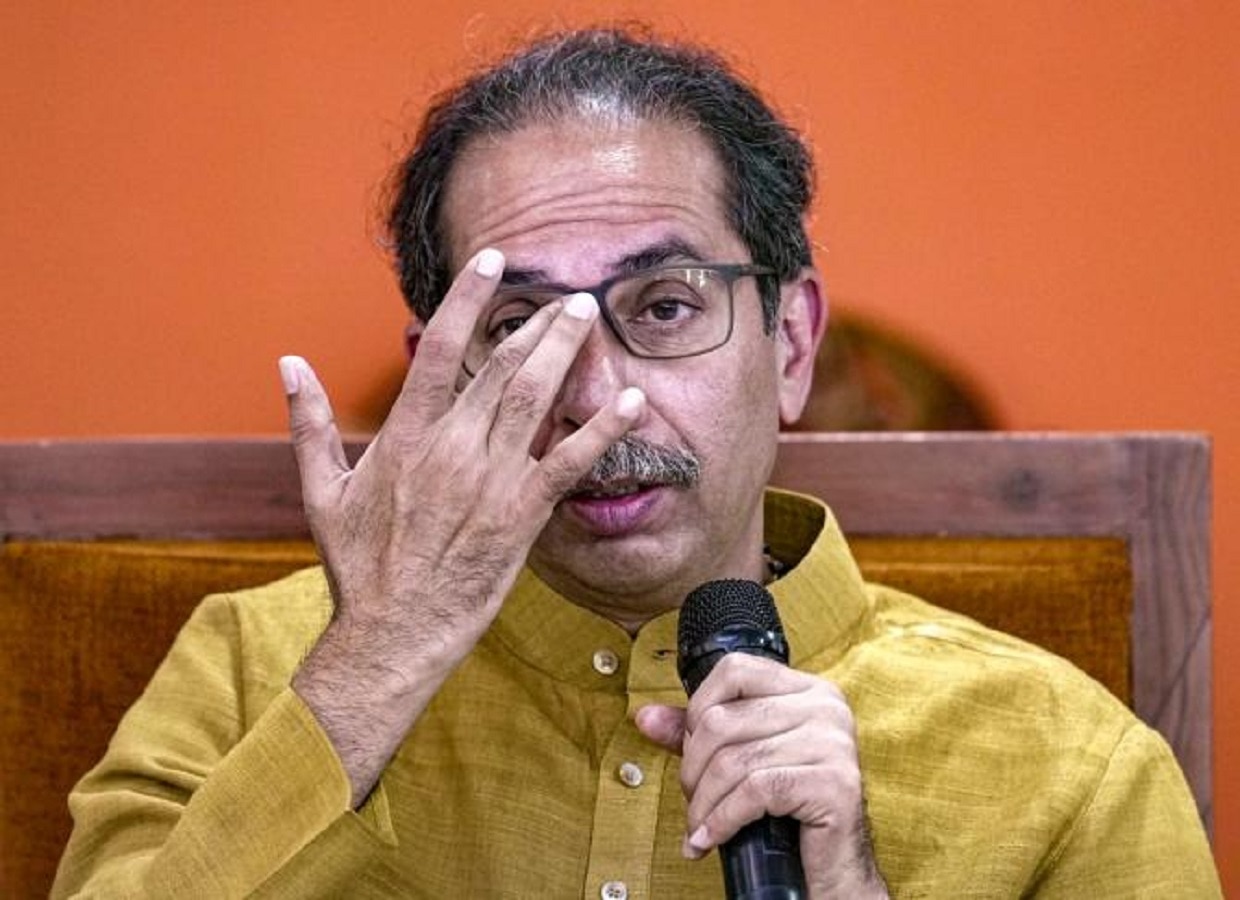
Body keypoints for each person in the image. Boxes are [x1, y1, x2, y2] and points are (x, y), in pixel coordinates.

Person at [53, 27, 1219, 898]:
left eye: (663, 305)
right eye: (519, 326)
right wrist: (373, 668)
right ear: (442, 380)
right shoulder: (249, 669)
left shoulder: (1070, 762)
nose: (597, 399)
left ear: (792, 345)